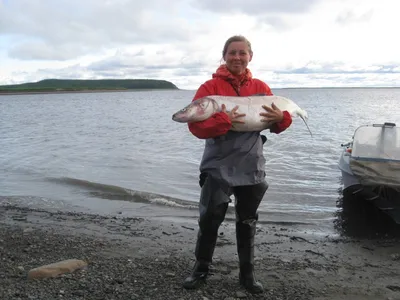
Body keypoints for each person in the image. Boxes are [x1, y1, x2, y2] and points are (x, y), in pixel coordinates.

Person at [182, 35, 293, 294]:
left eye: (242, 53)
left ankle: (247, 274)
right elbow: (196, 127)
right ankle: (200, 268)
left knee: (248, 221)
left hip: (251, 161)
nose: (237, 57)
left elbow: (277, 125)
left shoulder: (261, 87)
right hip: (217, 163)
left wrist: (282, 118)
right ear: (225, 56)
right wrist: (223, 121)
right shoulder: (209, 88)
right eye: (232, 53)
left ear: (250, 56)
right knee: (210, 217)